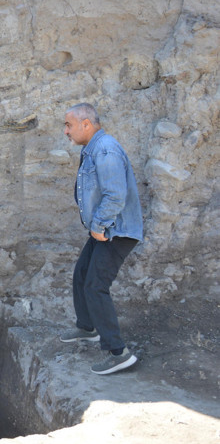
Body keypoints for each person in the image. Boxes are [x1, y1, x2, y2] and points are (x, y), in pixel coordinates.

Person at [59, 103, 143, 375]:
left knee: (95, 286)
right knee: (82, 275)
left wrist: (98, 226)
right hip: (104, 229)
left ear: (86, 124)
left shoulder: (105, 149)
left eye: (69, 125)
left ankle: (118, 353)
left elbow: (115, 194)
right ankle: (87, 328)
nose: (66, 131)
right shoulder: (94, 148)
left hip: (115, 231)